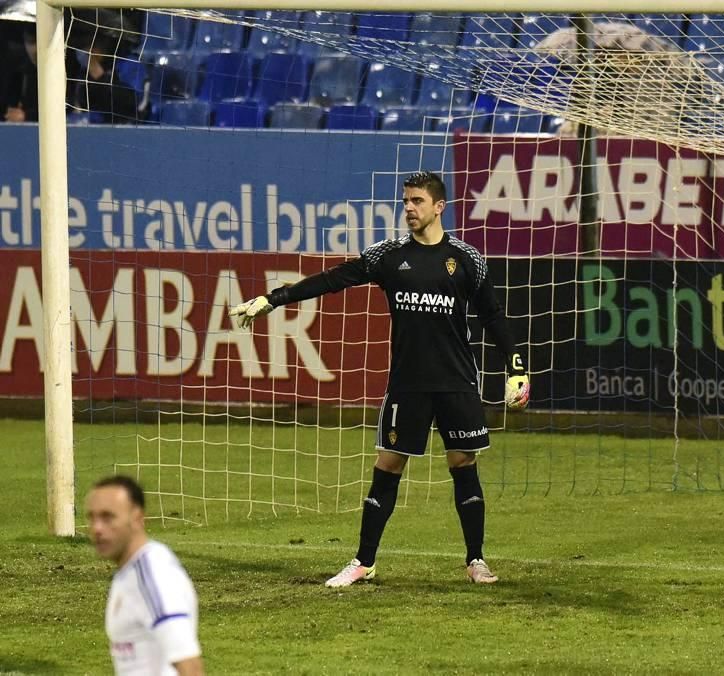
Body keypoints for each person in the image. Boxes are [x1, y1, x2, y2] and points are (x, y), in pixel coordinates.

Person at [230, 170, 530, 587]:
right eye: (405, 201)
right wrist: (273, 299)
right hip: (407, 383)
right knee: (387, 464)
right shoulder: (388, 255)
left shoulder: (467, 259)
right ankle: (363, 561)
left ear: (439, 207)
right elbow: (334, 279)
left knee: (463, 462)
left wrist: (516, 366)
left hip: (457, 381)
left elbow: (493, 316)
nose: (408, 208)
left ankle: (476, 560)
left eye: (417, 201)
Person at [86, 475, 204, 675]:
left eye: (108, 517)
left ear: (137, 519)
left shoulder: (153, 576)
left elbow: (189, 664)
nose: (97, 528)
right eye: (92, 518)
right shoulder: (129, 572)